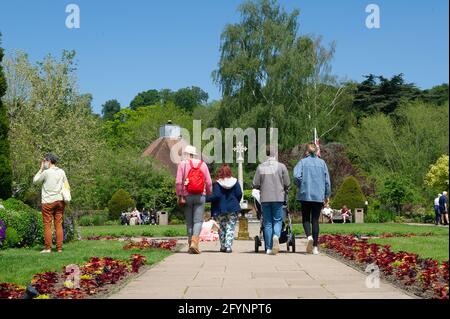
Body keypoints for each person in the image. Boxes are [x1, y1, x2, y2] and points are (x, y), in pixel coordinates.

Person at [293, 143, 331, 255]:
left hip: (305, 194)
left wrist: (301, 185)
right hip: (318, 195)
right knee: (315, 220)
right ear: (316, 151)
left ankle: (309, 236)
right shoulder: (322, 163)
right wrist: (326, 195)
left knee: (305, 218)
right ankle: (315, 247)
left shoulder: (302, 162)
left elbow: (296, 176)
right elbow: (327, 181)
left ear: (306, 152)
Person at [252, 145, 290, 255]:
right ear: (275, 153)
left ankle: (268, 248)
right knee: (278, 220)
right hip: (278, 197)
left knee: (267, 222)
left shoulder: (261, 167)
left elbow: (256, 183)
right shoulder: (282, 167)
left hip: (265, 198)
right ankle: (276, 236)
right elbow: (287, 183)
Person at [176, 145, 212, 254]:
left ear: (186, 154)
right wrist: (209, 192)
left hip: (187, 196)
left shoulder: (182, 164)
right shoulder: (203, 164)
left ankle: (190, 244)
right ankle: (194, 243)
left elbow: (178, 182)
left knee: (189, 222)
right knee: (198, 221)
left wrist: (179, 194)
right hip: (200, 195)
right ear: (194, 154)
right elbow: (209, 182)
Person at [33, 153, 69, 253]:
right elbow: (66, 184)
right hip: (60, 201)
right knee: (58, 224)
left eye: (44, 161)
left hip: (48, 202)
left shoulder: (46, 172)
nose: (44, 163)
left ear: (49, 161)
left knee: (47, 225)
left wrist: (40, 169)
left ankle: (48, 248)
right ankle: (59, 248)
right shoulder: (62, 171)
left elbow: (35, 181)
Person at [206, 164, 242, 253]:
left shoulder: (217, 183)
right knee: (231, 226)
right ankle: (228, 246)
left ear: (220, 172)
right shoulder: (235, 181)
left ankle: (223, 246)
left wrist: (205, 198)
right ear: (229, 172)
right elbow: (239, 194)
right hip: (233, 207)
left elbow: (217, 196)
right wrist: (235, 201)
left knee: (222, 227)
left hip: (221, 208)